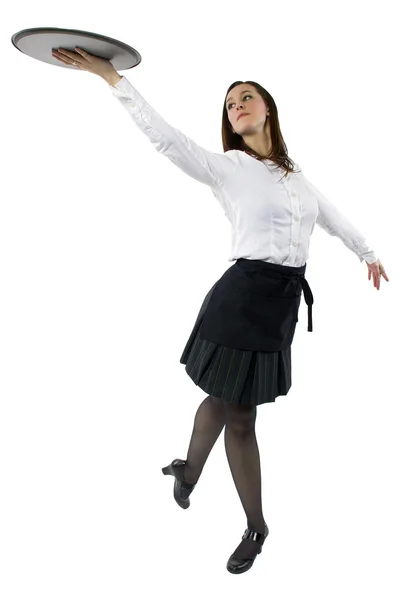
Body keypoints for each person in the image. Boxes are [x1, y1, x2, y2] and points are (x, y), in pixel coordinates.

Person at [52, 47, 389, 575]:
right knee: (239, 415)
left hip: (278, 308)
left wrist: (366, 252)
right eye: (230, 103)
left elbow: (329, 214)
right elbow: (165, 139)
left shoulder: (294, 175)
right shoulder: (228, 168)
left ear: (268, 109)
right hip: (238, 301)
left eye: (246, 97)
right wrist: (109, 76)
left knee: (226, 399)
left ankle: (188, 472)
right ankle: (257, 526)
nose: (237, 106)